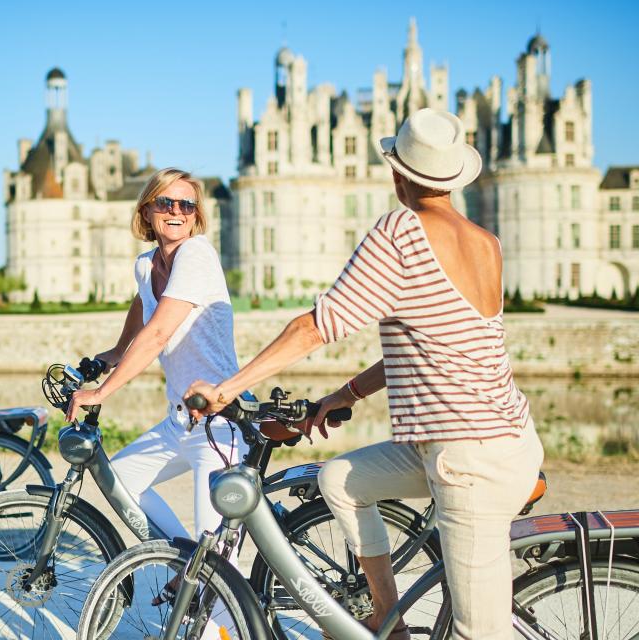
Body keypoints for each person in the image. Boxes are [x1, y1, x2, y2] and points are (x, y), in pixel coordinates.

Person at [185, 108, 544, 640]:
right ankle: (386, 618)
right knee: (339, 480)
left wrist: (226, 389)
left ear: (398, 174)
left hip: (468, 457)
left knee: (479, 633)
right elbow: (434, 344)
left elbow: (316, 326)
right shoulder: (484, 241)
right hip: (495, 439)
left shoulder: (402, 230)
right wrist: (345, 393)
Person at [67, 167, 246, 607]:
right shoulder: (147, 264)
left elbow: (160, 331)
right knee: (121, 478)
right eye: (166, 202)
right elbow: (143, 303)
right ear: (147, 210)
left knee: (219, 576)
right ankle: (186, 562)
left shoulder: (196, 255)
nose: (176, 212)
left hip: (216, 425)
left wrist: (102, 391)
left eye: (187, 205)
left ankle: (218, 613)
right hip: (179, 421)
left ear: (196, 215)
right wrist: (115, 349)